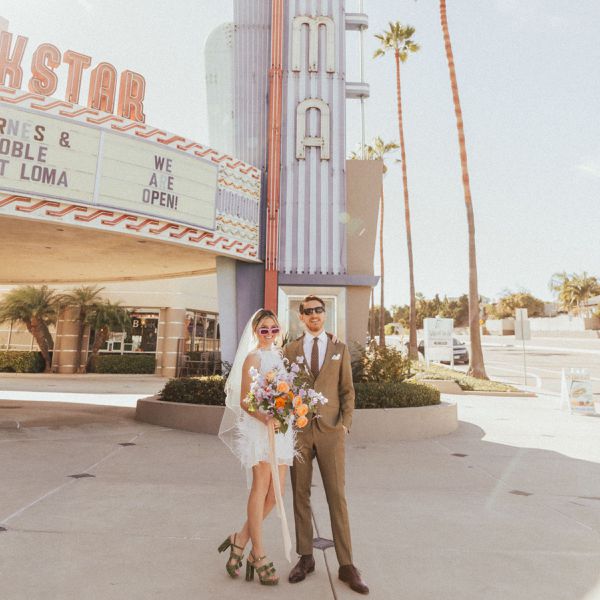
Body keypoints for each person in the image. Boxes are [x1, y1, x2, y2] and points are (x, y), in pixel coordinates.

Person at [283, 295, 369, 595]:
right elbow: (283, 389)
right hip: (301, 432)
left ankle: (346, 565)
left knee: (337, 496)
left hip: (331, 432)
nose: (314, 315)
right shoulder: (290, 349)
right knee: (300, 494)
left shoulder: (339, 348)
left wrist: (345, 424)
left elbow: (348, 390)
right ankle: (305, 558)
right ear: (301, 317)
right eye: (308, 312)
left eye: (319, 310)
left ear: (325, 314)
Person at [217, 309, 293, 586]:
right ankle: (257, 554)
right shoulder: (252, 358)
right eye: (264, 330)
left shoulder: (280, 357)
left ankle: (240, 538)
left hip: (281, 431)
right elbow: (246, 402)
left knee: (277, 494)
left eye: (274, 329)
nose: (270, 334)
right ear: (255, 332)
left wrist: (290, 407)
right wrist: (265, 417)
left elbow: (284, 393)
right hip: (259, 430)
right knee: (260, 489)